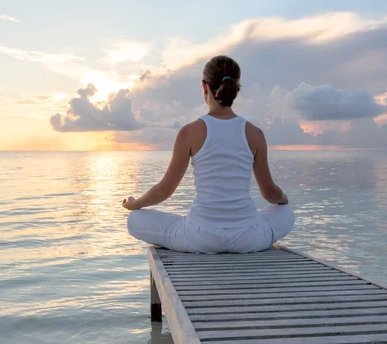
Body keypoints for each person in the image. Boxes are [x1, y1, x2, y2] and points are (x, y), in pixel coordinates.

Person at [122, 55, 294, 253]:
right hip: (248, 237)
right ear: (237, 88)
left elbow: (164, 190)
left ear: (204, 87)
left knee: (135, 219)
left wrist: (136, 204)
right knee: (286, 213)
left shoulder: (189, 132)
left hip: (199, 237)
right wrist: (283, 198)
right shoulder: (255, 133)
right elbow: (270, 193)